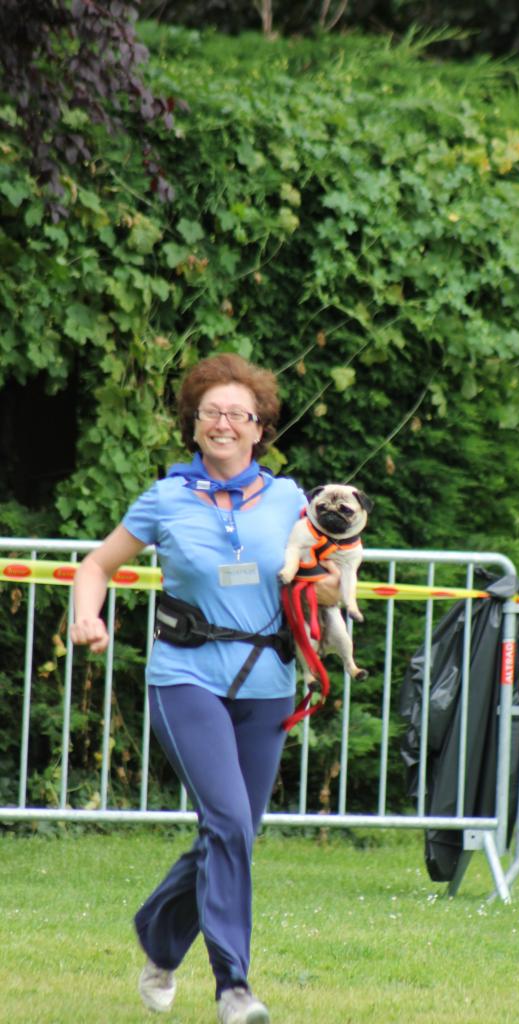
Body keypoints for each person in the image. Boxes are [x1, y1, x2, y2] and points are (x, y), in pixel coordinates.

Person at [70, 353, 338, 1024]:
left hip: (269, 681)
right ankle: (234, 987)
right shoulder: (165, 498)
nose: (222, 423)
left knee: (235, 832)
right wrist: (86, 615)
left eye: (237, 414)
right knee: (226, 821)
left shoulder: (290, 500)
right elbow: (95, 566)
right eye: (209, 412)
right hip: (185, 676)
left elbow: (320, 578)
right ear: (193, 426)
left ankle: (159, 942)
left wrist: (328, 591)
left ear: (259, 428)